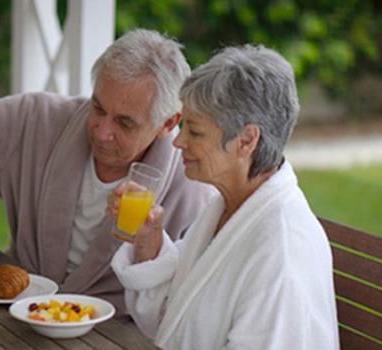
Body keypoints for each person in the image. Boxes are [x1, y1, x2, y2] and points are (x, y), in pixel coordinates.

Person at [0, 29, 214, 314]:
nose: (100, 131)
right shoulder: (38, 121)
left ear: (168, 123)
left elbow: (183, 313)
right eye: (97, 107)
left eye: (124, 123)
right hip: (12, 317)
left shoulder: (194, 190)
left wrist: (149, 251)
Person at [109, 44, 339, 348]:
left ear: (246, 140)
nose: (178, 141)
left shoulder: (282, 250)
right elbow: (173, 321)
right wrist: (149, 242)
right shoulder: (228, 208)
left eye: (195, 131)